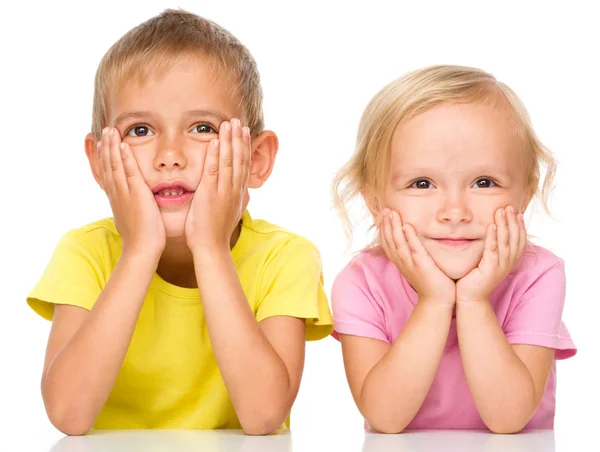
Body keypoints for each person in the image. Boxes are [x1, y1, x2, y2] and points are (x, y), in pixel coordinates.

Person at [27, 9, 332, 436]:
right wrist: (138, 251)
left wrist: (209, 246)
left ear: (256, 160)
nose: (170, 154)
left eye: (203, 127)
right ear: (99, 161)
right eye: (140, 131)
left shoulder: (286, 257)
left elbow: (263, 416)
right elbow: (68, 415)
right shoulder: (86, 252)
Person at [331, 65, 576, 433]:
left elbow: (508, 419)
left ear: (525, 193)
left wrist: (474, 300)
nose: (455, 212)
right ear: (375, 201)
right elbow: (385, 418)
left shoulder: (538, 275)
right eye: (422, 183)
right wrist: (434, 301)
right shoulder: (362, 282)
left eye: (484, 182)